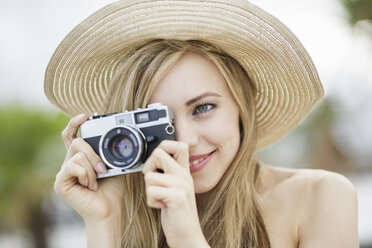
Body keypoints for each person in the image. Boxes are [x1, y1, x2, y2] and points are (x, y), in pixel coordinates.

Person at [44, 1, 358, 247]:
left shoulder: (321, 196)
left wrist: (188, 240)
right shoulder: (125, 217)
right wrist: (104, 222)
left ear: (241, 107)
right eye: (159, 121)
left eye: (203, 107)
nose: (184, 140)